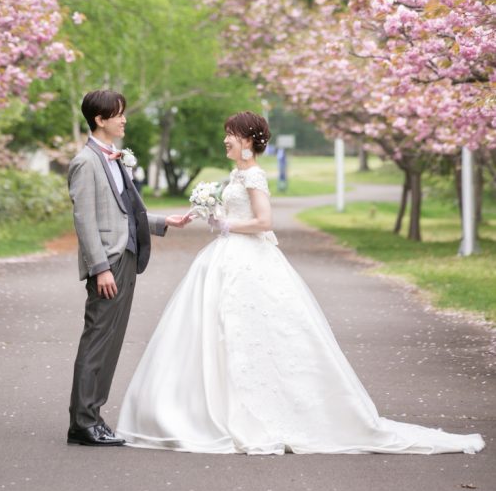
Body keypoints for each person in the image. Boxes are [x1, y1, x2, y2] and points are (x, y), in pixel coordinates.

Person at [117, 111, 485, 456]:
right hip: (225, 258)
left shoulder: (254, 176)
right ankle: (214, 404)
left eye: (231, 135)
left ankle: (263, 411)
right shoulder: (236, 176)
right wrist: (210, 212)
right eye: (227, 134)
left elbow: (264, 222)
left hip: (248, 258)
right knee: (219, 331)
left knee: (256, 331)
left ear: (247, 140)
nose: (226, 140)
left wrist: (226, 225)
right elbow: (234, 211)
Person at [67, 89, 191, 447]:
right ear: (100, 120)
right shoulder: (85, 162)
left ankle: (91, 417)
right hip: (110, 263)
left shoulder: (113, 158)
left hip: (127, 258)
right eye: (118, 114)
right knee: (98, 340)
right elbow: (86, 221)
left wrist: (162, 221)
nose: (124, 119)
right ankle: (83, 422)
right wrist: (101, 268)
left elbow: (123, 212)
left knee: (111, 342)